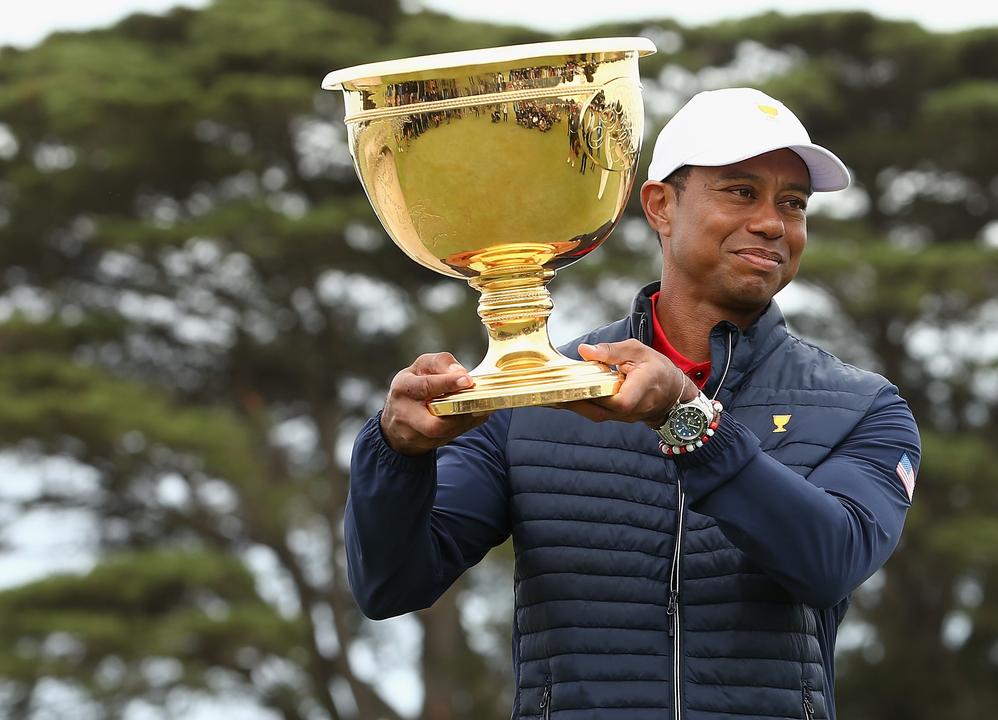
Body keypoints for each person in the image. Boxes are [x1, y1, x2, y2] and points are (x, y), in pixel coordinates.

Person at [346, 87, 921, 720]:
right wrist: (397, 454)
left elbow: (830, 562)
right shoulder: (538, 398)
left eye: (793, 203)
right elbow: (391, 584)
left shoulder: (864, 406)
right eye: (740, 191)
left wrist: (688, 420)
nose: (771, 222)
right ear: (661, 205)